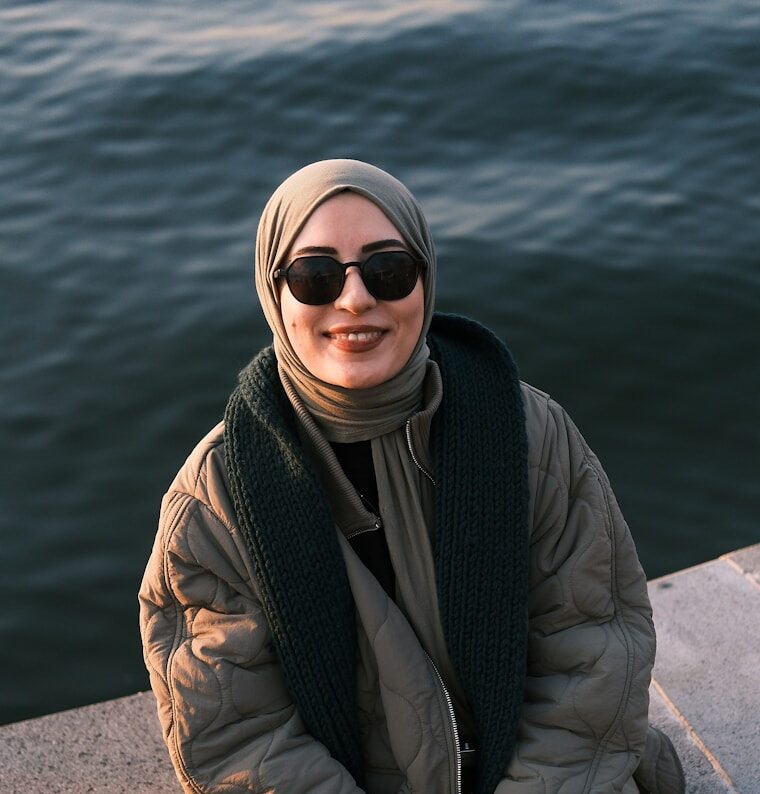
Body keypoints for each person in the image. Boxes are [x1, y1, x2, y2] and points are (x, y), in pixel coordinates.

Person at [139, 159, 684, 794]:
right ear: (274, 292)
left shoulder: (528, 434)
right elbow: (238, 734)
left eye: (387, 270)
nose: (355, 299)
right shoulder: (216, 499)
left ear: (424, 281)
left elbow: (593, 648)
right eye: (315, 276)